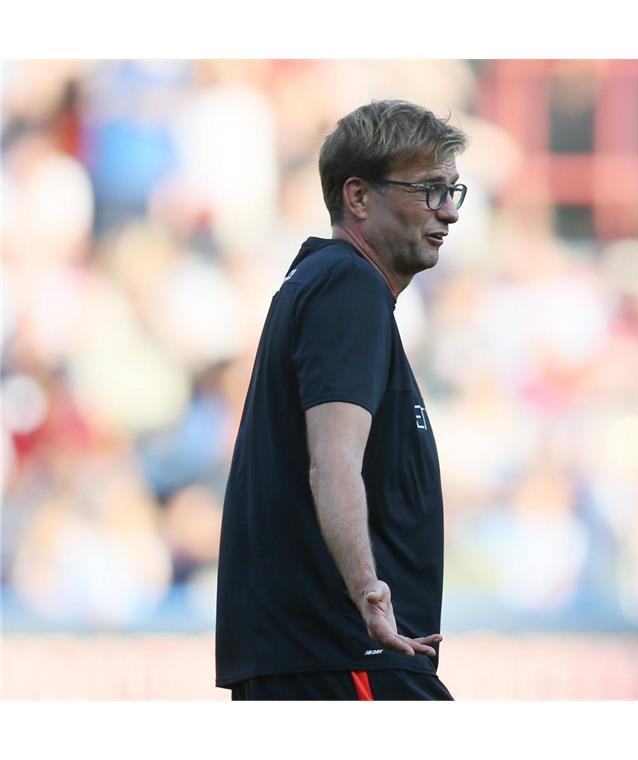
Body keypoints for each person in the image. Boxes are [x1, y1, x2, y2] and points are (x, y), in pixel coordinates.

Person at [215, 100, 468, 700]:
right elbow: (333, 460)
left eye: (454, 190)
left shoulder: (327, 283)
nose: (451, 212)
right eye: (430, 190)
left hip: (326, 652)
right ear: (358, 197)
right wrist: (368, 593)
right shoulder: (348, 285)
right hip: (343, 650)